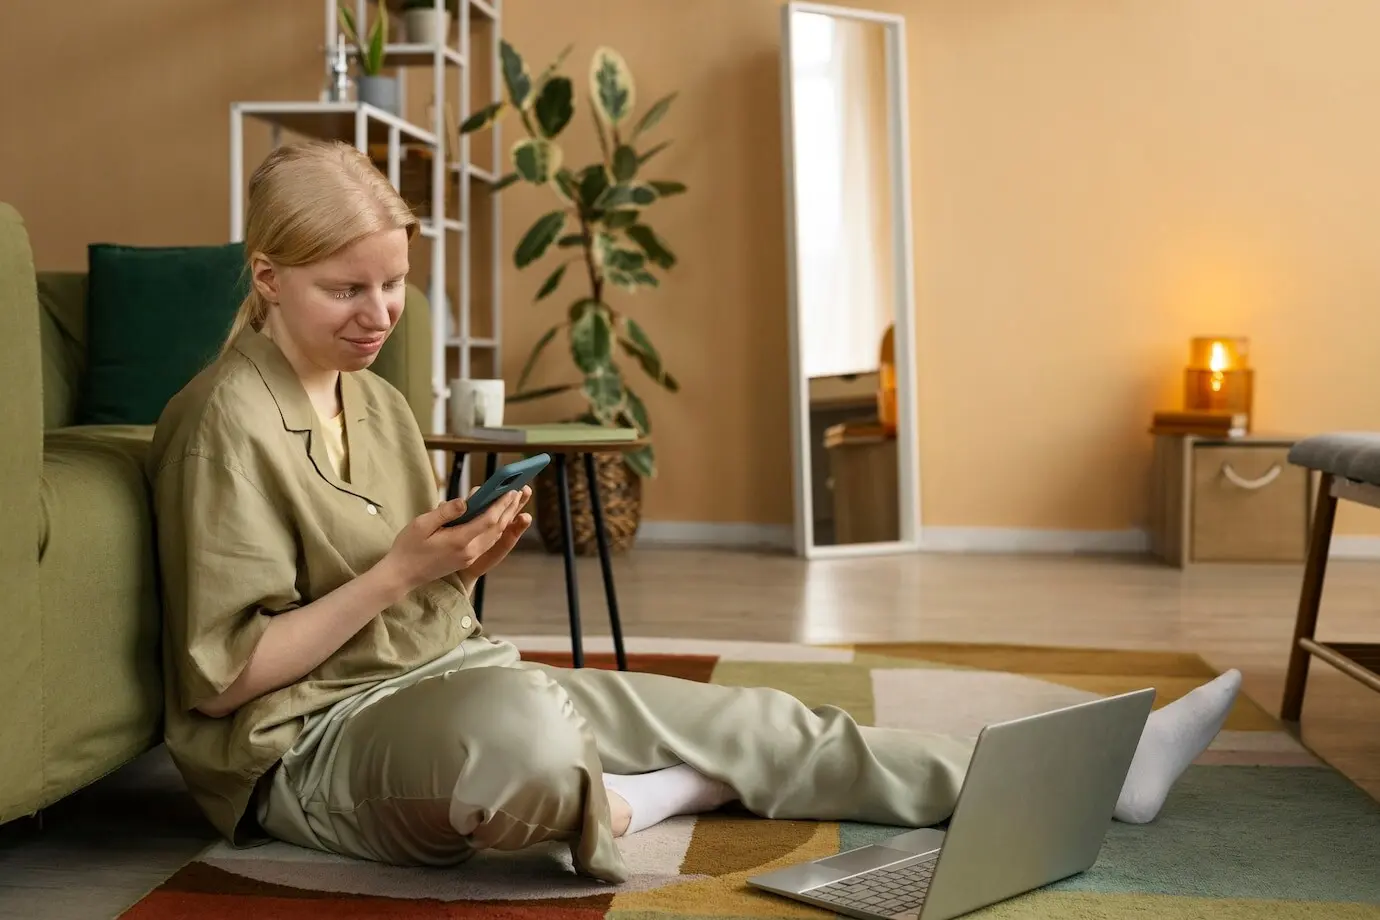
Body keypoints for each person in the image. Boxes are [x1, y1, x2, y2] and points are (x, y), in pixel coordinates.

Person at [147, 140, 1243, 885]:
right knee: (528, 740)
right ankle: (647, 798)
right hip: (308, 745)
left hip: (442, 677)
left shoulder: (378, 400)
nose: (380, 313)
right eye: (348, 289)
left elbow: (408, 595)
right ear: (269, 278)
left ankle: (1107, 775)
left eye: (393, 285)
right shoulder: (219, 425)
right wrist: (400, 571)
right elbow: (223, 679)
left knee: (756, 720)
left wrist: (463, 560)